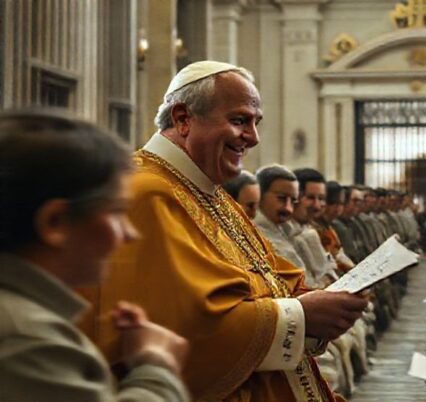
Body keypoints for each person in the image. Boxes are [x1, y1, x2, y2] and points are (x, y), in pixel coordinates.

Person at [83, 60, 367, 402]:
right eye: (239, 120)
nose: (253, 137)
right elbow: (176, 330)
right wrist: (302, 315)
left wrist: (330, 300)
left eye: (255, 123)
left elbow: (274, 278)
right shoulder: (145, 193)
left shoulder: (211, 192)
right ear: (183, 119)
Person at [0, 110, 188, 401]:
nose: (130, 234)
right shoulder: (25, 339)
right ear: (55, 223)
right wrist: (156, 366)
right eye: (116, 212)